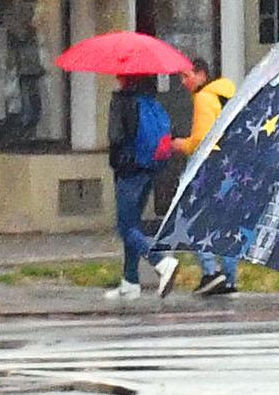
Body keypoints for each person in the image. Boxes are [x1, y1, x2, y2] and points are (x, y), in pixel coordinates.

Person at [153, 57, 241, 299]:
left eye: (186, 76)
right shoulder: (225, 94)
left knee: (193, 219)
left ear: (202, 74)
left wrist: (180, 144)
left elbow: (202, 140)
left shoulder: (203, 98)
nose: (183, 82)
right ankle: (230, 278)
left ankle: (211, 273)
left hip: (207, 166)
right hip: (229, 165)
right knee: (225, 225)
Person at [103, 78, 174, 298]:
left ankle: (161, 262)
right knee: (133, 225)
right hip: (148, 168)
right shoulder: (151, 101)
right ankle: (130, 281)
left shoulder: (122, 101)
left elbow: (116, 137)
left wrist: (116, 159)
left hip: (128, 169)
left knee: (125, 227)